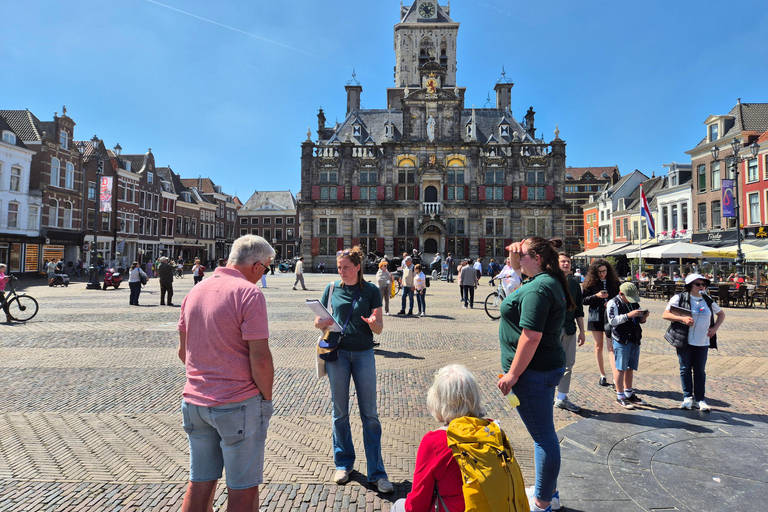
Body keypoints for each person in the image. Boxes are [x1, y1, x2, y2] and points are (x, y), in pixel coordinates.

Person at [177, 235, 275, 512]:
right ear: (257, 266)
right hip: (237, 404)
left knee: (200, 484)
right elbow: (261, 359)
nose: (263, 274)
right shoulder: (249, 293)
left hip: (194, 403)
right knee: (243, 491)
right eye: (266, 268)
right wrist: (265, 400)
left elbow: (183, 353)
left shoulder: (195, 291)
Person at [498, 237, 575, 512]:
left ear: (538, 259)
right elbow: (517, 268)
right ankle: (547, 489)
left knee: (543, 436)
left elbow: (530, 337)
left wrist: (512, 375)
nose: (518, 258)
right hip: (542, 368)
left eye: (524, 255)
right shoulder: (542, 281)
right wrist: (516, 253)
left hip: (533, 372)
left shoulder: (539, 288)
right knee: (542, 433)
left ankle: (543, 501)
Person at [313, 247, 392, 493]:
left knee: (370, 415)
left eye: (346, 267)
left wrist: (372, 322)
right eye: (339, 267)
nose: (341, 272)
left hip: (364, 354)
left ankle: (377, 472)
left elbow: (379, 328)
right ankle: (343, 464)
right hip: (338, 354)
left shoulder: (370, 291)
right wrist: (321, 322)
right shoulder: (332, 289)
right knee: (340, 412)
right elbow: (318, 321)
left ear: (358, 267)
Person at [662, 273, 725, 412]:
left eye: (704, 284)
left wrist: (715, 328)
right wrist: (682, 319)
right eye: (698, 284)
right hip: (685, 339)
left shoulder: (707, 299)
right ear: (690, 285)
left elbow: (721, 314)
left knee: (700, 371)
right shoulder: (680, 297)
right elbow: (666, 314)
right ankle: (687, 397)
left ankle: (700, 399)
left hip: (703, 341)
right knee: (685, 368)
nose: (702, 286)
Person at [606, 282, 649, 409]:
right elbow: (612, 321)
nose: (632, 301)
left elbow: (639, 321)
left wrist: (643, 317)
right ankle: (620, 395)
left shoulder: (634, 302)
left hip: (634, 338)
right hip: (621, 339)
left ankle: (628, 392)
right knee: (621, 368)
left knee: (631, 367)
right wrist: (628, 315)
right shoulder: (613, 303)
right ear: (621, 294)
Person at [582, 258, 622, 387]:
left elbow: (620, 297)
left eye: (604, 271)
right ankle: (602, 374)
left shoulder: (614, 282)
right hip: (596, 316)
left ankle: (616, 376)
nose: (602, 274)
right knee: (598, 346)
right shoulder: (589, 283)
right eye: (599, 272)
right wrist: (597, 296)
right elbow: (584, 300)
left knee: (611, 346)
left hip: (610, 316)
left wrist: (610, 302)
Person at [555, 253, 586, 412]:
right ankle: (544, 395)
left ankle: (561, 397)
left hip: (569, 328)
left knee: (568, 364)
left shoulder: (574, 284)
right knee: (547, 363)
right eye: (563, 261)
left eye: (568, 261)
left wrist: (582, 331)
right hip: (551, 329)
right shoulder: (550, 281)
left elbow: (578, 309)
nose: (566, 264)